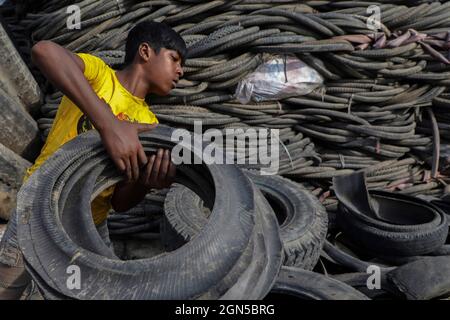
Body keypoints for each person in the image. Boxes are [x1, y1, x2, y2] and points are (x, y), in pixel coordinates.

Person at [0, 21, 186, 299]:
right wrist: (109, 125)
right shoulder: (99, 76)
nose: (181, 71)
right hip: (40, 208)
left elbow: (120, 202)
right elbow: (44, 51)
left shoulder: (149, 122)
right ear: (145, 52)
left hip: (90, 225)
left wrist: (146, 183)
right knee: (7, 289)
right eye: (175, 59)